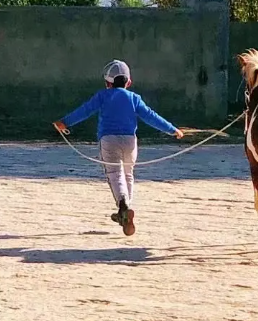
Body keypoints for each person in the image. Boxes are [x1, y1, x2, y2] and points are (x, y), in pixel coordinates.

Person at [53, 60, 184, 236]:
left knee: (115, 174)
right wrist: (173, 129)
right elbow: (151, 116)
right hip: (130, 141)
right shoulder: (134, 98)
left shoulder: (102, 96)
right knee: (128, 174)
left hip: (108, 140)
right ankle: (126, 210)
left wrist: (64, 122)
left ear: (107, 83)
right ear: (128, 82)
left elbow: (84, 110)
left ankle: (123, 206)